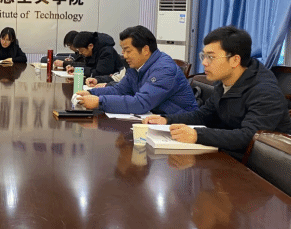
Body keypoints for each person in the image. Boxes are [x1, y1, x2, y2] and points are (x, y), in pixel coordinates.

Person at [144, 26, 291, 160]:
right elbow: (203, 116)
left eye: (211, 57)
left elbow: (249, 137)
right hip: (228, 155)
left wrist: (197, 135)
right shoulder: (224, 82)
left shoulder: (265, 92)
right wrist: (166, 120)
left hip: (260, 168)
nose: (204, 63)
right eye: (204, 56)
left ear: (235, 60)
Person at [76, 25, 198, 115]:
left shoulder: (164, 69)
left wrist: (100, 102)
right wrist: (91, 93)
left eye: (128, 51)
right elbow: (119, 90)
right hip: (156, 118)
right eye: (123, 50)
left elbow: (141, 103)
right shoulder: (136, 67)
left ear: (145, 50)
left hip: (180, 125)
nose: (124, 56)